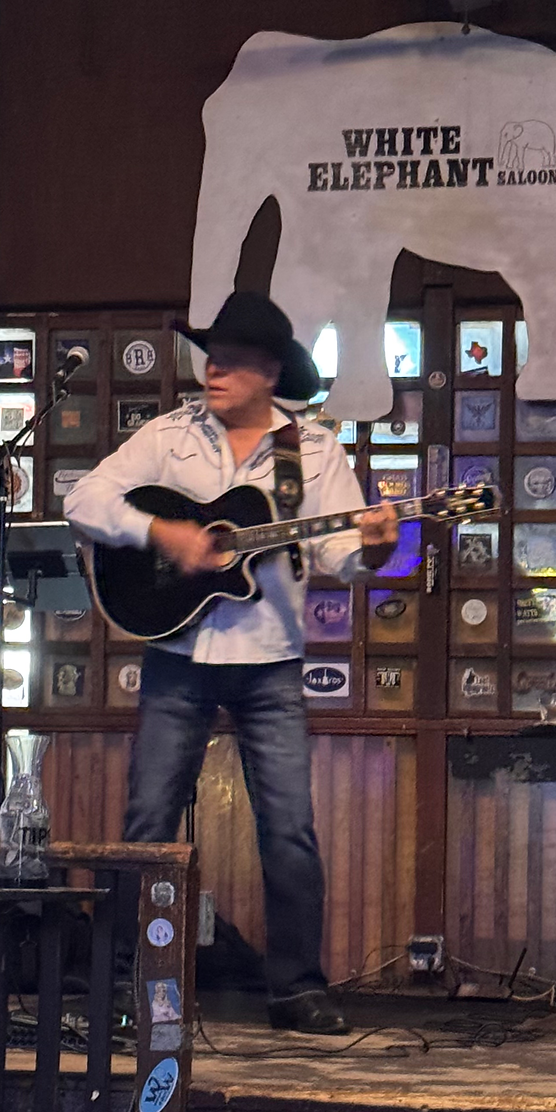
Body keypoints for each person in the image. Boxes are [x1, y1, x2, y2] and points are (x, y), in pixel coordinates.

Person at [65, 291, 398, 1034]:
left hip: (271, 663)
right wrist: (164, 534)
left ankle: (296, 989)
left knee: (288, 827)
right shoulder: (168, 435)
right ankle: (129, 981)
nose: (213, 370)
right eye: (211, 357)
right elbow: (85, 500)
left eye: (233, 360)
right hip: (178, 651)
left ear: (269, 372)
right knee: (148, 817)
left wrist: (377, 544)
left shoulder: (310, 452)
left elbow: (341, 555)